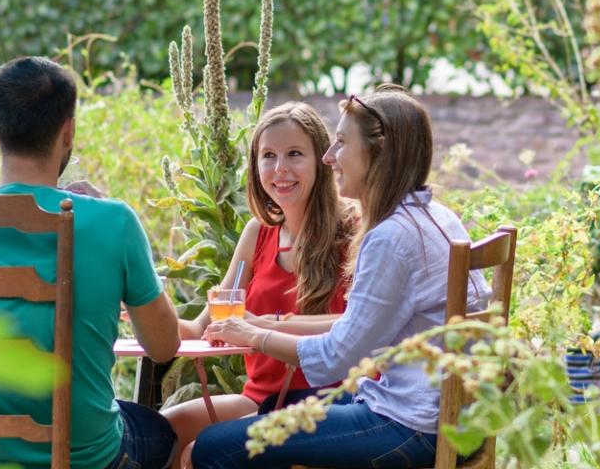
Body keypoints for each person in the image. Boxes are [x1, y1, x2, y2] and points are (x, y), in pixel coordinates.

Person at [188, 85, 487, 469]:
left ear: (378, 153)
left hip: (409, 425)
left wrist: (255, 336)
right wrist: (266, 325)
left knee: (213, 447)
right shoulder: (436, 217)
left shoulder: (391, 237)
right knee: (276, 407)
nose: (329, 157)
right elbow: (357, 330)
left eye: (342, 143)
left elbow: (337, 357)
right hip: (440, 418)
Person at [0, 56, 182, 469]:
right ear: (69, 132)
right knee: (164, 432)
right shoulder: (114, 221)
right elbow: (164, 346)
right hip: (86, 459)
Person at [160, 102, 358, 467]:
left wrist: (263, 326)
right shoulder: (258, 233)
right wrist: (144, 305)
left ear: (322, 159)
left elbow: (361, 324)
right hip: (260, 397)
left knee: (195, 454)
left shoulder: (353, 231)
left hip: (328, 399)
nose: (280, 168)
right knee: (164, 432)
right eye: (268, 156)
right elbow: (199, 328)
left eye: (294, 154)